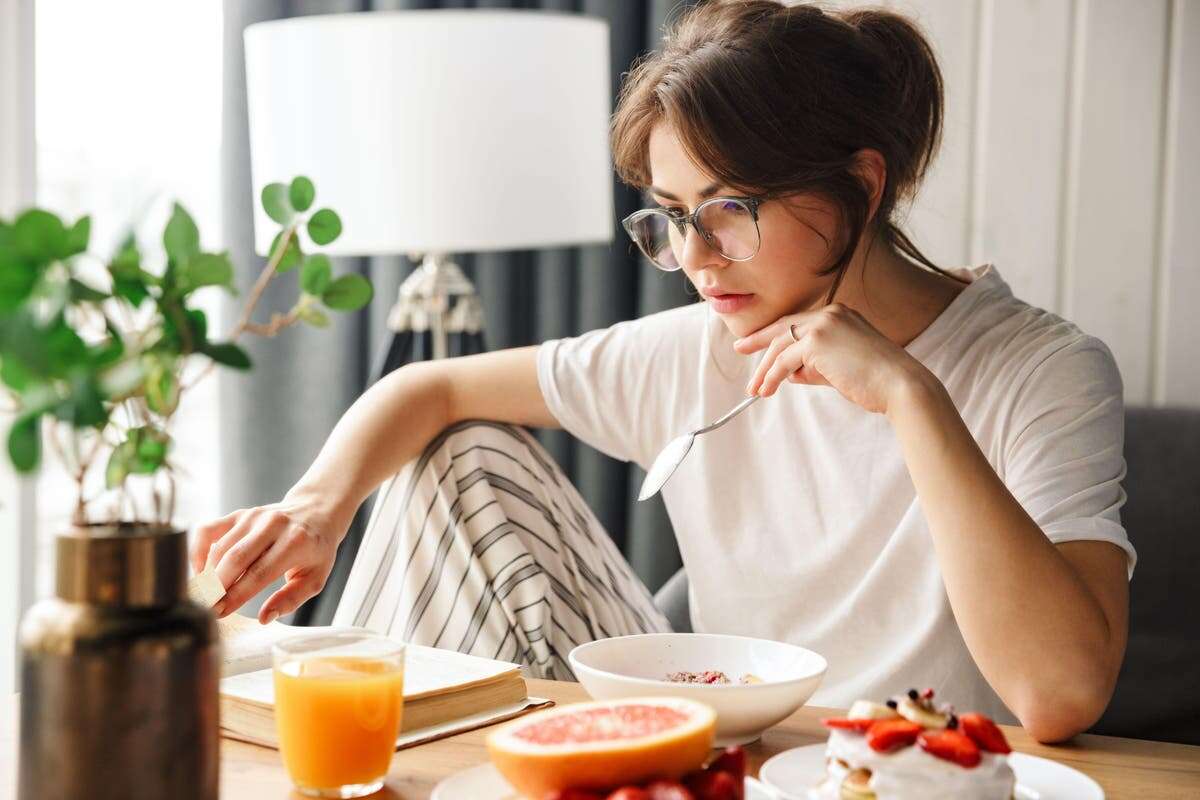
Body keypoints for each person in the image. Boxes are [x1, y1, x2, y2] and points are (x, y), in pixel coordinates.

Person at [193, 0, 1133, 742]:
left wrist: (908, 395)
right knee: (466, 448)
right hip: (719, 747)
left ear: (863, 182)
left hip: (909, 766)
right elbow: (425, 386)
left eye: (729, 208)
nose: (695, 256)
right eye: (672, 215)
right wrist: (317, 509)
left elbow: (1058, 697)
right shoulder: (697, 346)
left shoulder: (1043, 369)